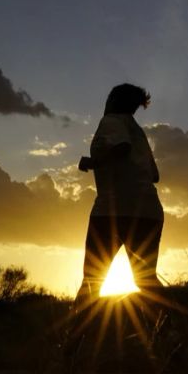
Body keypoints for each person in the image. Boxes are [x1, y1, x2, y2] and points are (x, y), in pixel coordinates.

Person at [71, 83, 164, 333]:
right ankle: (170, 334)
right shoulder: (138, 131)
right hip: (148, 211)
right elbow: (155, 176)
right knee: (146, 281)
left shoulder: (111, 121)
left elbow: (122, 149)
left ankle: (71, 347)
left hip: (112, 211)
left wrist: (94, 161)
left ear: (113, 100)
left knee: (92, 279)